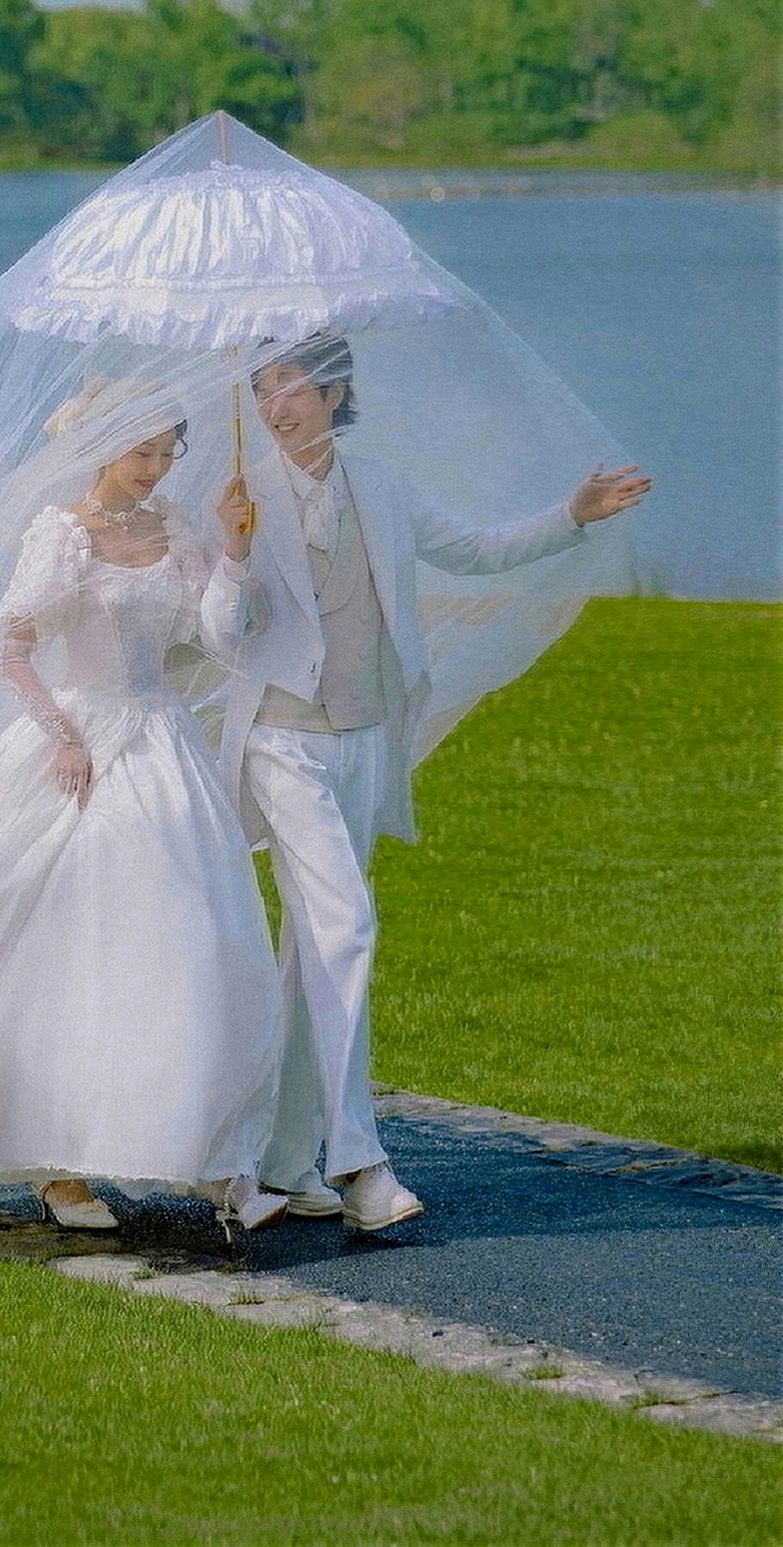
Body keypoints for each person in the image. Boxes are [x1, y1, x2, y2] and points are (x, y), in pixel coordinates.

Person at [0, 388, 289, 1237]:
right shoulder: (61, 532)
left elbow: (222, 639)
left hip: (159, 746)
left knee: (185, 942)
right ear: (104, 446)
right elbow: (13, 653)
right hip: (76, 743)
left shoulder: (177, 529)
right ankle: (57, 1169)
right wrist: (63, 738)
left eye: (167, 454)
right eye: (141, 452)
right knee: (54, 946)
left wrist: (234, 550)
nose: (155, 469)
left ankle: (215, 1157)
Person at [213, 335, 651, 1231]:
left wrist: (571, 515)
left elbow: (477, 552)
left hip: (366, 736)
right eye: (262, 390)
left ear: (335, 394)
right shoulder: (238, 497)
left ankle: (284, 1161)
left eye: (291, 387)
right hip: (280, 741)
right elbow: (222, 636)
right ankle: (359, 1163)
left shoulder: (382, 486)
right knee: (346, 927)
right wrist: (231, 553)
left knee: (313, 947)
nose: (274, 406)